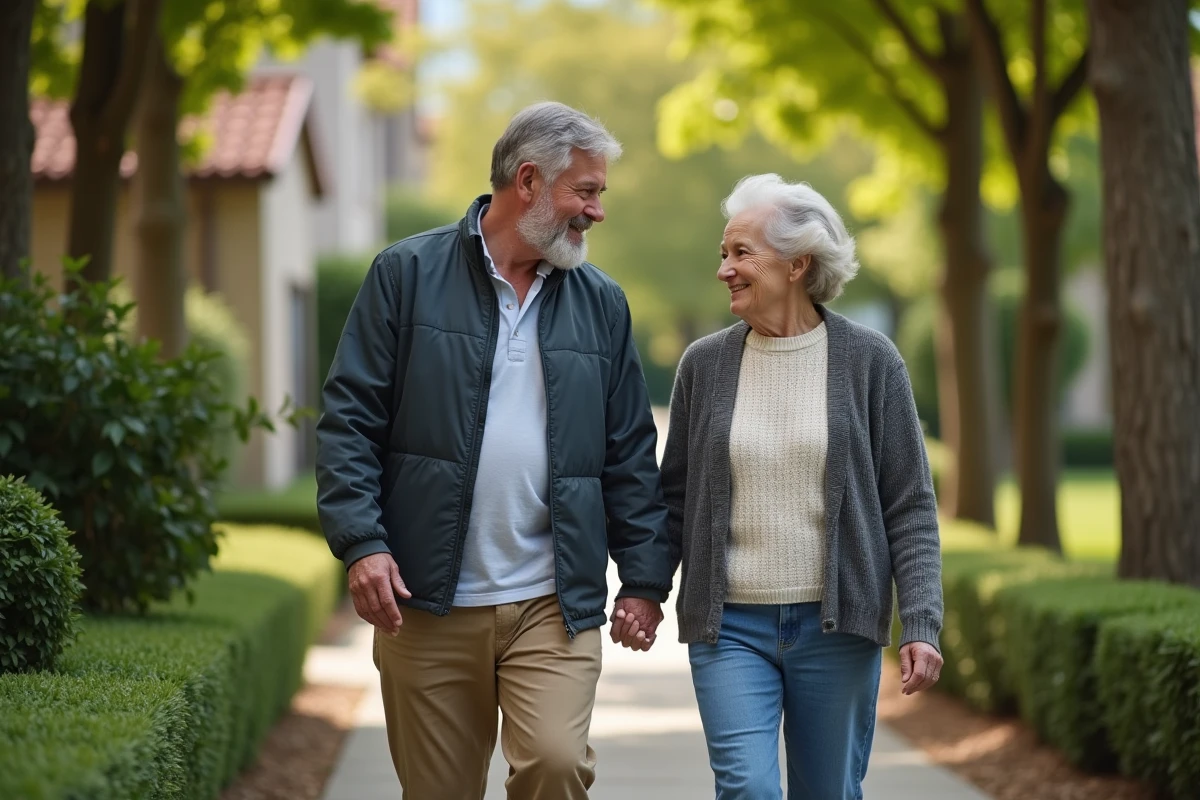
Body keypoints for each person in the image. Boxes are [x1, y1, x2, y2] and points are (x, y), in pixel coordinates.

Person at [315, 101, 672, 800]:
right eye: (587, 191)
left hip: (551, 600)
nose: (597, 211)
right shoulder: (405, 274)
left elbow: (629, 452)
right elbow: (349, 421)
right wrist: (362, 543)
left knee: (556, 762)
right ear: (530, 181)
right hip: (427, 604)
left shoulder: (601, 303)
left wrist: (644, 580)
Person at [661, 174, 945, 799]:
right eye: (723, 253)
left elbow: (911, 505)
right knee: (748, 789)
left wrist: (921, 622)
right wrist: (644, 589)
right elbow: (675, 499)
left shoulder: (871, 361)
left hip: (836, 628)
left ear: (797, 265)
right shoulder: (703, 366)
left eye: (741, 253)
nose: (724, 270)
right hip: (729, 624)